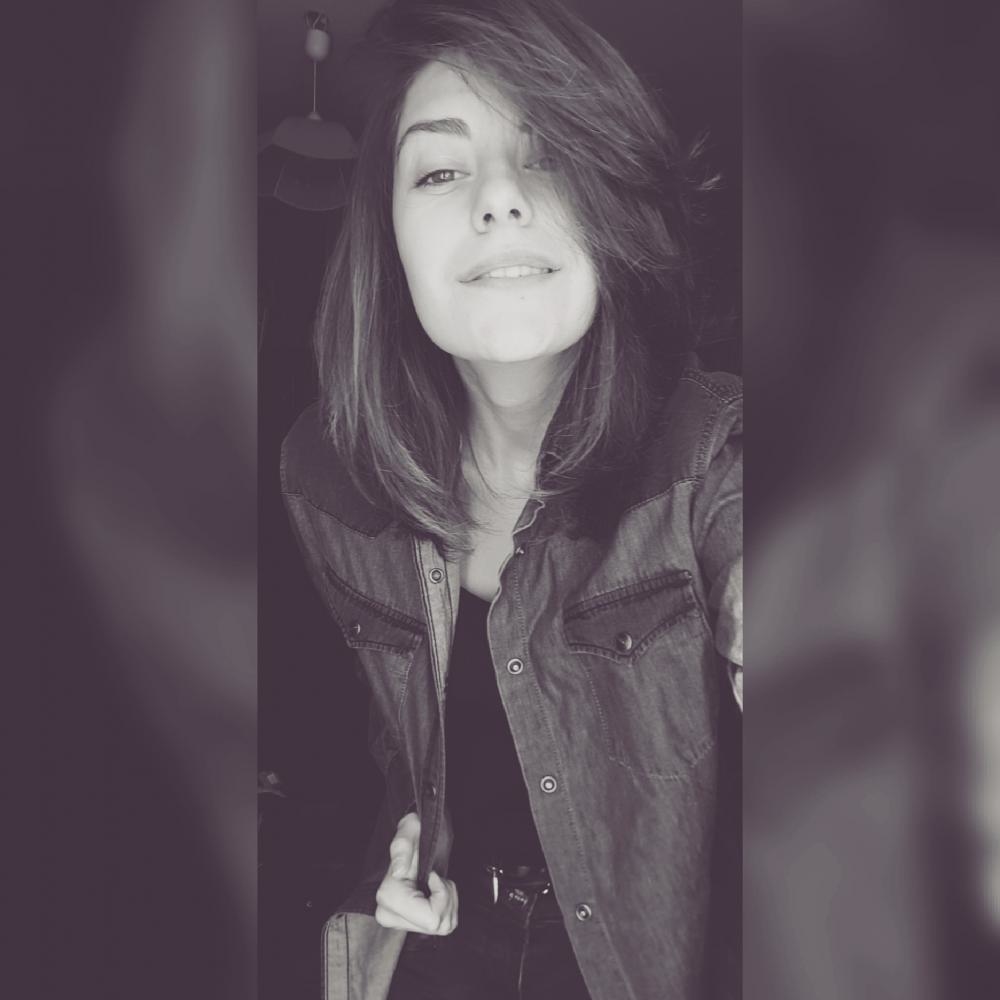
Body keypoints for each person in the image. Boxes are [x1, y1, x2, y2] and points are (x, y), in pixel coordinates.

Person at [279, 1, 742, 997]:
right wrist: (394, 856)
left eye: (550, 155)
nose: (497, 199)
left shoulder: (715, 453)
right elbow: (385, 739)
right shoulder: (327, 477)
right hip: (434, 955)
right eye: (439, 170)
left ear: (616, 208)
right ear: (388, 236)